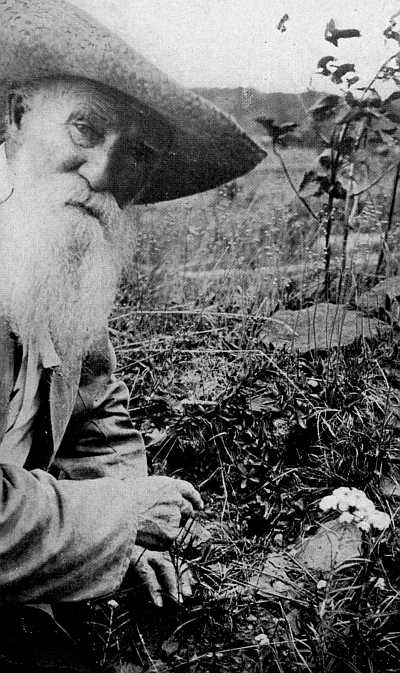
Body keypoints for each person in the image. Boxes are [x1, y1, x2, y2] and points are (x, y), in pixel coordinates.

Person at [0, 0, 265, 670]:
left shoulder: (53, 245)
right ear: (18, 114)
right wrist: (115, 518)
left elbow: (97, 411)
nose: (104, 172)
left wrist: (130, 543)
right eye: (87, 128)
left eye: (139, 152)